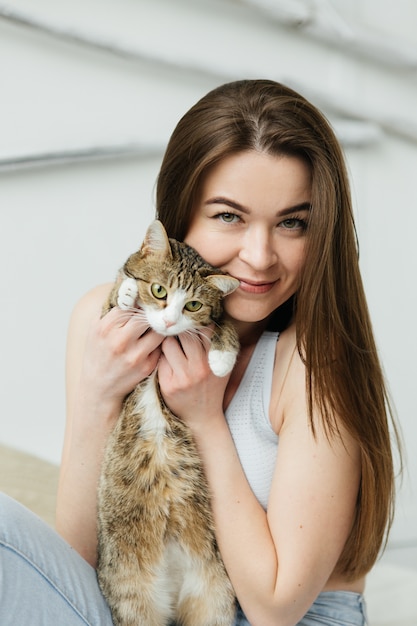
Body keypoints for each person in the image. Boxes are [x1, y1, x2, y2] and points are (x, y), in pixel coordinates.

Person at [0, 79, 400, 626]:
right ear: (180, 215)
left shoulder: (313, 362)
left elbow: (276, 606)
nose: (259, 257)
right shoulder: (108, 322)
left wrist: (207, 419)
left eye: (292, 223)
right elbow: (80, 564)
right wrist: (97, 394)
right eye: (229, 216)